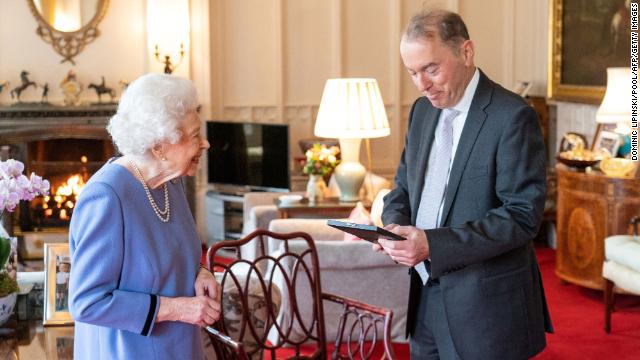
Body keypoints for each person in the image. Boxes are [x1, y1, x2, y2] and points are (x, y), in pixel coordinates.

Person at [374, 10, 553, 359]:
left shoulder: (513, 116)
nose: (422, 84)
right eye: (413, 72)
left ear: (466, 52)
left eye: (431, 68)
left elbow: (521, 216)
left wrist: (433, 245)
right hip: (423, 295)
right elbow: (403, 188)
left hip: (485, 307)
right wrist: (394, 227)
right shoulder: (422, 112)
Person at [69, 73, 220, 359]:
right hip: (127, 351)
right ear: (159, 147)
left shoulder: (170, 182)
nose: (205, 144)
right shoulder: (107, 197)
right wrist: (179, 308)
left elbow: (173, 254)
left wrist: (201, 272)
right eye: (194, 136)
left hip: (179, 346)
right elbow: (87, 302)